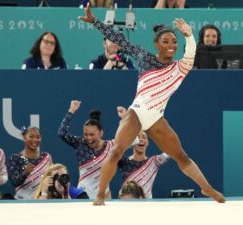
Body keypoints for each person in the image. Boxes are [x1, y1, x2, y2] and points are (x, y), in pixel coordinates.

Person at [78, 3, 225, 205]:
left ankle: (206, 188)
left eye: (174, 41)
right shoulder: (144, 57)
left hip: (156, 118)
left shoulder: (180, 68)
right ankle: (101, 194)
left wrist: (189, 36)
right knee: (116, 151)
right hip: (136, 113)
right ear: (157, 44)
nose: (171, 45)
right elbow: (119, 39)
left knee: (181, 156)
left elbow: (190, 52)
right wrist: (94, 20)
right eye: (166, 41)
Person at [58, 100, 138, 199]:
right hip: (82, 197)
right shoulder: (81, 144)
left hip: (104, 196)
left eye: (92, 134)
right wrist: (71, 111)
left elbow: (135, 139)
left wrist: (125, 119)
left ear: (101, 133)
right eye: (86, 134)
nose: (88, 138)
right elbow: (62, 133)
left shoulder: (111, 146)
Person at [117, 106, 169, 199]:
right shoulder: (124, 162)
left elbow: (170, 150)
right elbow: (118, 144)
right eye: (138, 137)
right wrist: (124, 119)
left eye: (144, 137)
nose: (141, 140)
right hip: (126, 204)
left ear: (148, 142)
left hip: (147, 205)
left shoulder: (154, 162)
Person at [7, 126, 52, 200]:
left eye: (38, 137)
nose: (35, 140)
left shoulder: (46, 157)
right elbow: (14, 182)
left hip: (42, 201)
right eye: (31, 137)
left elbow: (50, 178)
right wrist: (25, 173)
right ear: (24, 138)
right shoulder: (15, 158)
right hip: (22, 202)